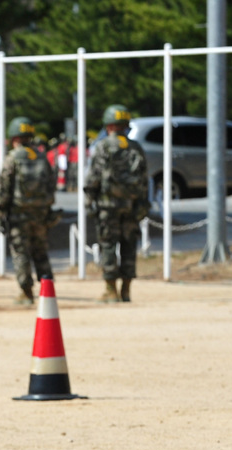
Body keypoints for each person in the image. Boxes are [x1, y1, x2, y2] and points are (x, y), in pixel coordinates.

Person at [84, 104, 148, 303]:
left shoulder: (103, 146)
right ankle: (126, 290)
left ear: (109, 126)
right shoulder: (135, 148)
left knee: (108, 245)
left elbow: (93, 177)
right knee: (129, 245)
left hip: (107, 207)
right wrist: (142, 205)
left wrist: (89, 200)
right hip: (131, 207)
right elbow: (144, 181)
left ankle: (110, 290)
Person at [0, 115, 57, 306]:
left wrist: (0, 211)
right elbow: (51, 184)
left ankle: (26, 291)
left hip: (18, 214)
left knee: (21, 252)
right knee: (40, 250)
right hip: (40, 214)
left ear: (14, 137)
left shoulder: (12, 158)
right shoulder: (41, 156)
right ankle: (48, 289)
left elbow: (4, 189)